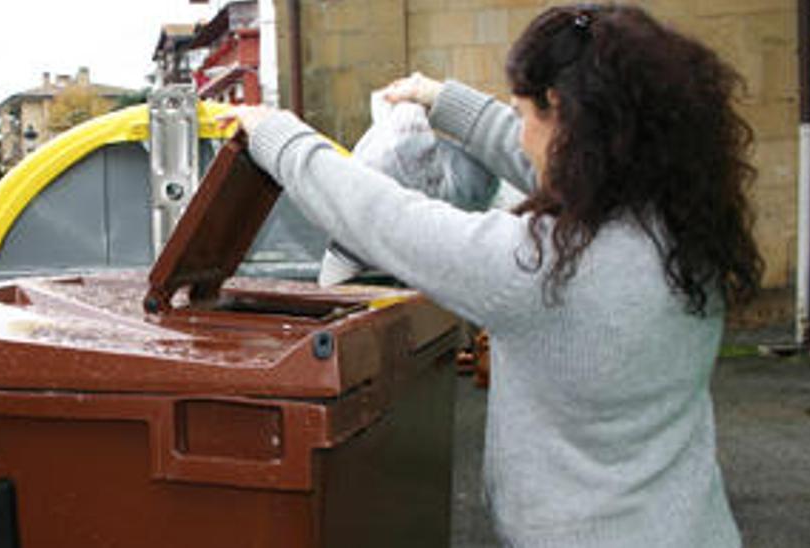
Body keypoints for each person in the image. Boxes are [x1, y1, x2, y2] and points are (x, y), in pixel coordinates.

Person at [223, 5, 761, 547]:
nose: (523, 138)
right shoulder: (682, 224)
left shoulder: (539, 267)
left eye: (523, 115)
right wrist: (442, 101)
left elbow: (386, 220)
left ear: (564, 118)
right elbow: (557, 164)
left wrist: (278, 136)